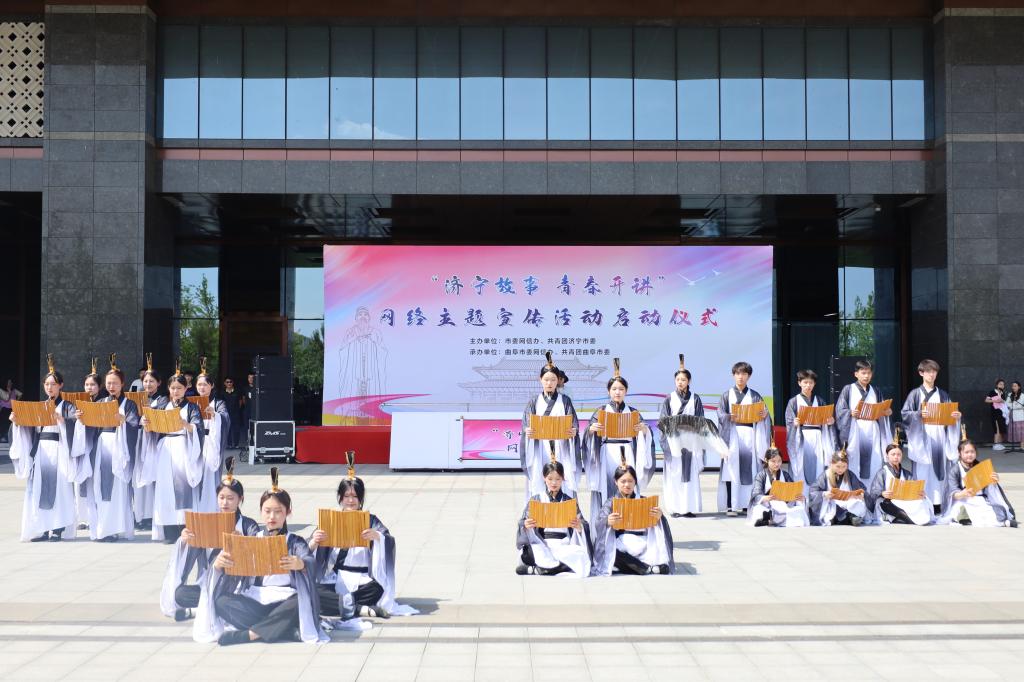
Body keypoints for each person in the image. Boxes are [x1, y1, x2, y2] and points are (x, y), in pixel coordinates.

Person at [194, 468, 327, 645]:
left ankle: (250, 635)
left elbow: (309, 560)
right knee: (222, 602)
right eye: (267, 511)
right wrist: (218, 565)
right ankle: (282, 630)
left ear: (288, 512)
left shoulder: (295, 541)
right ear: (261, 512)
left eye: (278, 511)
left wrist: (300, 563)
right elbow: (233, 572)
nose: (272, 517)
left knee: (301, 601)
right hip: (255, 599)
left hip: (285, 600)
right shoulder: (251, 539)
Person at [310, 454, 418, 619]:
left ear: (360, 499)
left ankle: (342, 605)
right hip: (337, 576)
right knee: (313, 591)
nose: (350, 501)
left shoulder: (371, 520)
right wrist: (314, 542)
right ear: (340, 498)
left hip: (364, 580)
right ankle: (359, 608)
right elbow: (306, 550)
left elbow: (388, 540)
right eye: (346, 496)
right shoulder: (330, 520)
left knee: (379, 588)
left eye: (355, 496)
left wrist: (377, 537)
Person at [160, 458, 260, 622]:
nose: (225, 502)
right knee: (180, 594)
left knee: (234, 596)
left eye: (230, 498)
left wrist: (242, 543)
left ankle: (198, 610)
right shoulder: (207, 522)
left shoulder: (248, 525)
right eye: (221, 497)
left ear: (240, 499)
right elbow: (190, 554)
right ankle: (213, 606)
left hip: (236, 583)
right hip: (209, 581)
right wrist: (185, 541)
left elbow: (257, 553)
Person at [8, 355, 78, 541]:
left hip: (59, 449)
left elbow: (76, 426)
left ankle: (58, 528)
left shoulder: (68, 406)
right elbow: (30, 429)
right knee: (40, 488)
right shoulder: (41, 406)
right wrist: (17, 422)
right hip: (41, 451)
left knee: (59, 488)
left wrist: (63, 421)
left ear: (61, 385)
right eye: (47, 384)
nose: (50, 387)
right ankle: (43, 528)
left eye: (53, 384)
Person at [70, 355, 139, 542]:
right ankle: (101, 528)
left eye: (115, 383)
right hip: (101, 447)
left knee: (117, 489)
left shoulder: (129, 404)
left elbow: (135, 425)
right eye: (109, 383)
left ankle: (114, 528)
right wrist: (82, 420)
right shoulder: (100, 403)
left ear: (122, 384)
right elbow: (91, 428)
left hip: (120, 447)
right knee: (99, 488)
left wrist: (123, 421)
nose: (111, 386)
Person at [582, 359, 653, 528]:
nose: (617, 392)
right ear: (609, 391)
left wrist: (644, 430)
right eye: (614, 389)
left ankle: (628, 521)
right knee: (607, 486)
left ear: (626, 391)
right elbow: (588, 435)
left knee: (627, 484)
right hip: (607, 452)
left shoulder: (633, 412)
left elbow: (645, 432)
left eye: (621, 389)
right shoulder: (601, 411)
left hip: (628, 449)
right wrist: (591, 430)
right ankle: (606, 523)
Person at [137, 369, 204, 543]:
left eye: (179, 388)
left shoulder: (192, 407)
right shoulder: (162, 405)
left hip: (183, 447)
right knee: (165, 488)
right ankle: (169, 531)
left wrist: (187, 425)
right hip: (165, 448)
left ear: (186, 389)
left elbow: (198, 428)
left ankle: (184, 528)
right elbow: (151, 426)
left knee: (183, 488)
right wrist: (145, 423)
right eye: (173, 388)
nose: (176, 391)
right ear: (168, 388)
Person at [657, 355, 724, 518]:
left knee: (690, 475)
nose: (680, 382)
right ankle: (675, 508)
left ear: (689, 381)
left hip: (691, 441)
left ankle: (688, 507)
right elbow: (663, 421)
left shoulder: (695, 398)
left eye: (683, 380)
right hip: (674, 441)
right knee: (675, 474)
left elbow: (701, 420)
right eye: (678, 379)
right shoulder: (669, 399)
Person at [591, 463, 674, 576]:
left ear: (635, 482)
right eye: (623, 481)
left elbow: (660, 526)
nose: (627, 484)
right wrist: (607, 521)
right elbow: (599, 523)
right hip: (621, 545)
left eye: (630, 481)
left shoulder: (644, 501)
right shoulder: (611, 503)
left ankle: (641, 567)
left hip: (643, 543)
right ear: (616, 482)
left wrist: (660, 518)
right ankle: (648, 568)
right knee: (610, 553)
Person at [900, 359, 962, 507]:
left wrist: (956, 416)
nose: (932, 374)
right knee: (922, 470)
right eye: (928, 371)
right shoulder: (915, 394)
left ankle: (939, 503)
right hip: (921, 436)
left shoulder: (943, 395)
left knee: (939, 470)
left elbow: (951, 413)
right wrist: (918, 414)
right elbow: (905, 414)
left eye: (934, 371)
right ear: (921, 373)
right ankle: (922, 502)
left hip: (939, 435)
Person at [515, 459, 592, 577]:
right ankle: (555, 568)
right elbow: (522, 522)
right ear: (544, 478)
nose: (554, 483)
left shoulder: (568, 501)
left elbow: (583, 523)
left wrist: (579, 526)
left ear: (563, 478)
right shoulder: (536, 499)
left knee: (581, 555)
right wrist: (526, 525)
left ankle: (538, 570)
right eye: (550, 479)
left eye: (558, 479)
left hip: (563, 544)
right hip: (542, 542)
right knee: (531, 552)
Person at [520, 353, 581, 500]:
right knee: (540, 477)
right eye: (546, 379)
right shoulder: (534, 401)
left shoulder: (565, 400)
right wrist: (528, 430)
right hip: (540, 446)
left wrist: (573, 431)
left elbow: (573, 422)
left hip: (561, 445)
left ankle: (564, 506)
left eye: (553, 380)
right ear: (540, 379)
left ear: (558, 381)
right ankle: (539, 509)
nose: (549, 383)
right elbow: (526, 423)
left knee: (561, 476)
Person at [716, 361, 772, 516]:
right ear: (733, 375)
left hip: (750, 435)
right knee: (730, 470)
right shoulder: (727, 395)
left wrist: (765, 415)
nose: (740, 377)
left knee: (751, 469)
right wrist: (728, 416)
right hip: (732, 434)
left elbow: (765, 415)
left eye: (744, 374)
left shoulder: (755, 396)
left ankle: (748, 504)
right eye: (738, 374)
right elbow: (720, 414)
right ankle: (731, 506)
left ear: (749, 376)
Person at [938, 437, 1017, 527]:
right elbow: (952, 492)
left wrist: (994, 482)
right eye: (966, 452)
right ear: (959, 453)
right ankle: (964, 517)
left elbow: (990, 490)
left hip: (980, 500)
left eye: (972, 452)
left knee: (990, 512)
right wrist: (962, 493)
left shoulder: (981, 467)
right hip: (962, 500)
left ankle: (1001, 521)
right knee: (958, 509)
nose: (970, 455)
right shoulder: (954, 470)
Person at [835, 359, 892, 483]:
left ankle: (872, 489)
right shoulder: (848, 389)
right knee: (854, 458)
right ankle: (854, 487)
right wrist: (850, 412)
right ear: (856, 374)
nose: (866, 376)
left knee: (875, 459)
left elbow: (882, 408)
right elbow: (839, 410)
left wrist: (886, 412)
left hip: (873, 428)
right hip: (855, 428)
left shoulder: (875, 390)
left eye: (869, 373)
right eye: (863, 373)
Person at [784, 369, 836, 486]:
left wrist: (830, 422)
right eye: (805, 382)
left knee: (819, 465)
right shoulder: (793, 402)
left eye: (811, 383)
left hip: (818, 436)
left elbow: (827, 419)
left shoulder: (820, 401)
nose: (808, 385)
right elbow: (789, 421)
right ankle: (801, 495)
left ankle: (816, 494)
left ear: (814, 384)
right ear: (799, 383)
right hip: (801, 437)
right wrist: (794, 423)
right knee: (801, 468)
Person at [866, 437, 933, 526]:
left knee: (922, 501)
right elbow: (874, 491)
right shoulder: (882, 472)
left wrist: (920, 493)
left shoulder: (906, 473)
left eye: (898, 454)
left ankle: (902, 519)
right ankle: (909, 519)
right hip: (888, 502)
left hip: (904, 501)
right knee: (895, 508)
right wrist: (882, 493)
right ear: (887, 456)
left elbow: (913, 487)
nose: (896, 457)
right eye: (893, 454)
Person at [133, 358, 167, 531]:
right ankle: (138, 515)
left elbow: (161, 419)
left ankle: (151, 515)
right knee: (138, 478)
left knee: (152, 478)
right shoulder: (136, 399)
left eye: (151, 381)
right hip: (138, 441)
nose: (148, 384)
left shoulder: (162, 400)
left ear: (159, 383)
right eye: (145, 381)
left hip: (153, 442)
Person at [74, 361, 106, 528]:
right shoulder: (79, 403)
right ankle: (83, 517)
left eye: (93, 385)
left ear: (99, 387)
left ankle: (97, 515)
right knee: (81, 481)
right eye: (87, 385)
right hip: (82, 445)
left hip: (97, 443)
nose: (89, 388)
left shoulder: (104, 403)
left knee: (96, 480)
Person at [195, 361, 230, 512]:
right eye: (199, 384)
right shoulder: (191, 403)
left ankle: (211, 508)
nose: (202, 387)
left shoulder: (218, 403)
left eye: (205, 384)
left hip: (210, 442)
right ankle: (196, 508)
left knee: (210, 475)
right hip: (195, 442)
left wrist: (215, 415)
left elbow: (225, 418)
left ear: (212, 385)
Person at [747, 445, 809, 527]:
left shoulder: (785, 475)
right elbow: (756, 495)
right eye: (773, 461)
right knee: (758, 510)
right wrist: (765, 498)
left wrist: (799, 497)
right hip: (767, 505)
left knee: (799, 510)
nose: (777, 464)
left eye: (779, 461)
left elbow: (793, 491)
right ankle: (770, 517)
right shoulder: (761, 475)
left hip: (783, 505)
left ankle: (770, 520)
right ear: (766, 460)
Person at [807, 450, 872, 526]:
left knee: (858, 503)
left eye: (844, 467)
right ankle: (848, 518)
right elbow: (813, 491)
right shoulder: (825, 475)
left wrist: (861, 495)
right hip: (832, 504)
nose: (841, 469)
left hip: (847, 504)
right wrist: (824, 494)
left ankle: (851, 517)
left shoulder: (850, 475)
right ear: (832, 464)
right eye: (838, 466)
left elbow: (862, 489)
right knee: (830, 510)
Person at [985, 379, 1007, 451]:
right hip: (995, 413)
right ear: (997, 385)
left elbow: (1004, 402)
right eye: (1000, 384)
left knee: (1001, 429)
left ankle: (999, 444)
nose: (1002, 386)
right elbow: (986, 400)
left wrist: (1002, 401)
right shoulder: (992, 392)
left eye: (1003, 384)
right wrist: (995, 400)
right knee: (996, 429)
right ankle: (995, 444)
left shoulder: (1003, 393)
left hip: (1002, 413)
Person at [221, 377, 243, 449]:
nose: (229, 383)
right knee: (228, 429)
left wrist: (237, 409)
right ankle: (229, 444)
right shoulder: (222, 392)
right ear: (225, 383)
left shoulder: (237, 391)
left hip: (236, 413)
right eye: (227, 382)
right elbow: (221, 403)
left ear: (232, 383)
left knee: (236, 429)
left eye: (230, 382)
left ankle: (236, 444)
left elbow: (240, 401)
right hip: (226, 413)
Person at [0, 378, 23, 443]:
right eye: (9, 382)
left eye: (11, 382)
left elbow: (20, 394)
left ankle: (7, 437)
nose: (10, 383)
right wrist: (9, 391)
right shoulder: (1, 390)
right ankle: (2, 437)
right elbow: (6, 398)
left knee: (10, 424)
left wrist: (16, 401)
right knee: (4, 423)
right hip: (4, 409)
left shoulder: (14, 390)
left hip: (12, 409)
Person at [1006, 382, 1024, 446]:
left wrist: (1012, 405)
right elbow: (1006, 404)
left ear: (1019, 387)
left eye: (1015, 386)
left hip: (1020, 415)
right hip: (1012, 415)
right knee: (1014, 431)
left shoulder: (1022, 395)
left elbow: (1020, 405)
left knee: (1022, 432)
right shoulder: (1010, 394)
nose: (1013, 387)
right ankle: (1014, 446)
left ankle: (1022, 445)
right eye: (1013, 386)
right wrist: (1014, 405)